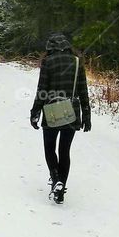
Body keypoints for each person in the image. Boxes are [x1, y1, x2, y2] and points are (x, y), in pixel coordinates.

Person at [29, 33, 91, 204]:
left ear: (50, 47)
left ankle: (56, 178)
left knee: (49, 148)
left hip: (52, 110)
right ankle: (60, 190)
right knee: (64, 151)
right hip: (72, 111)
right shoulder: (77, 62)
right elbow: (83, 90)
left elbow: (42, 90)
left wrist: (35, 112)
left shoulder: (48, 62)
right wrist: (86, 115)